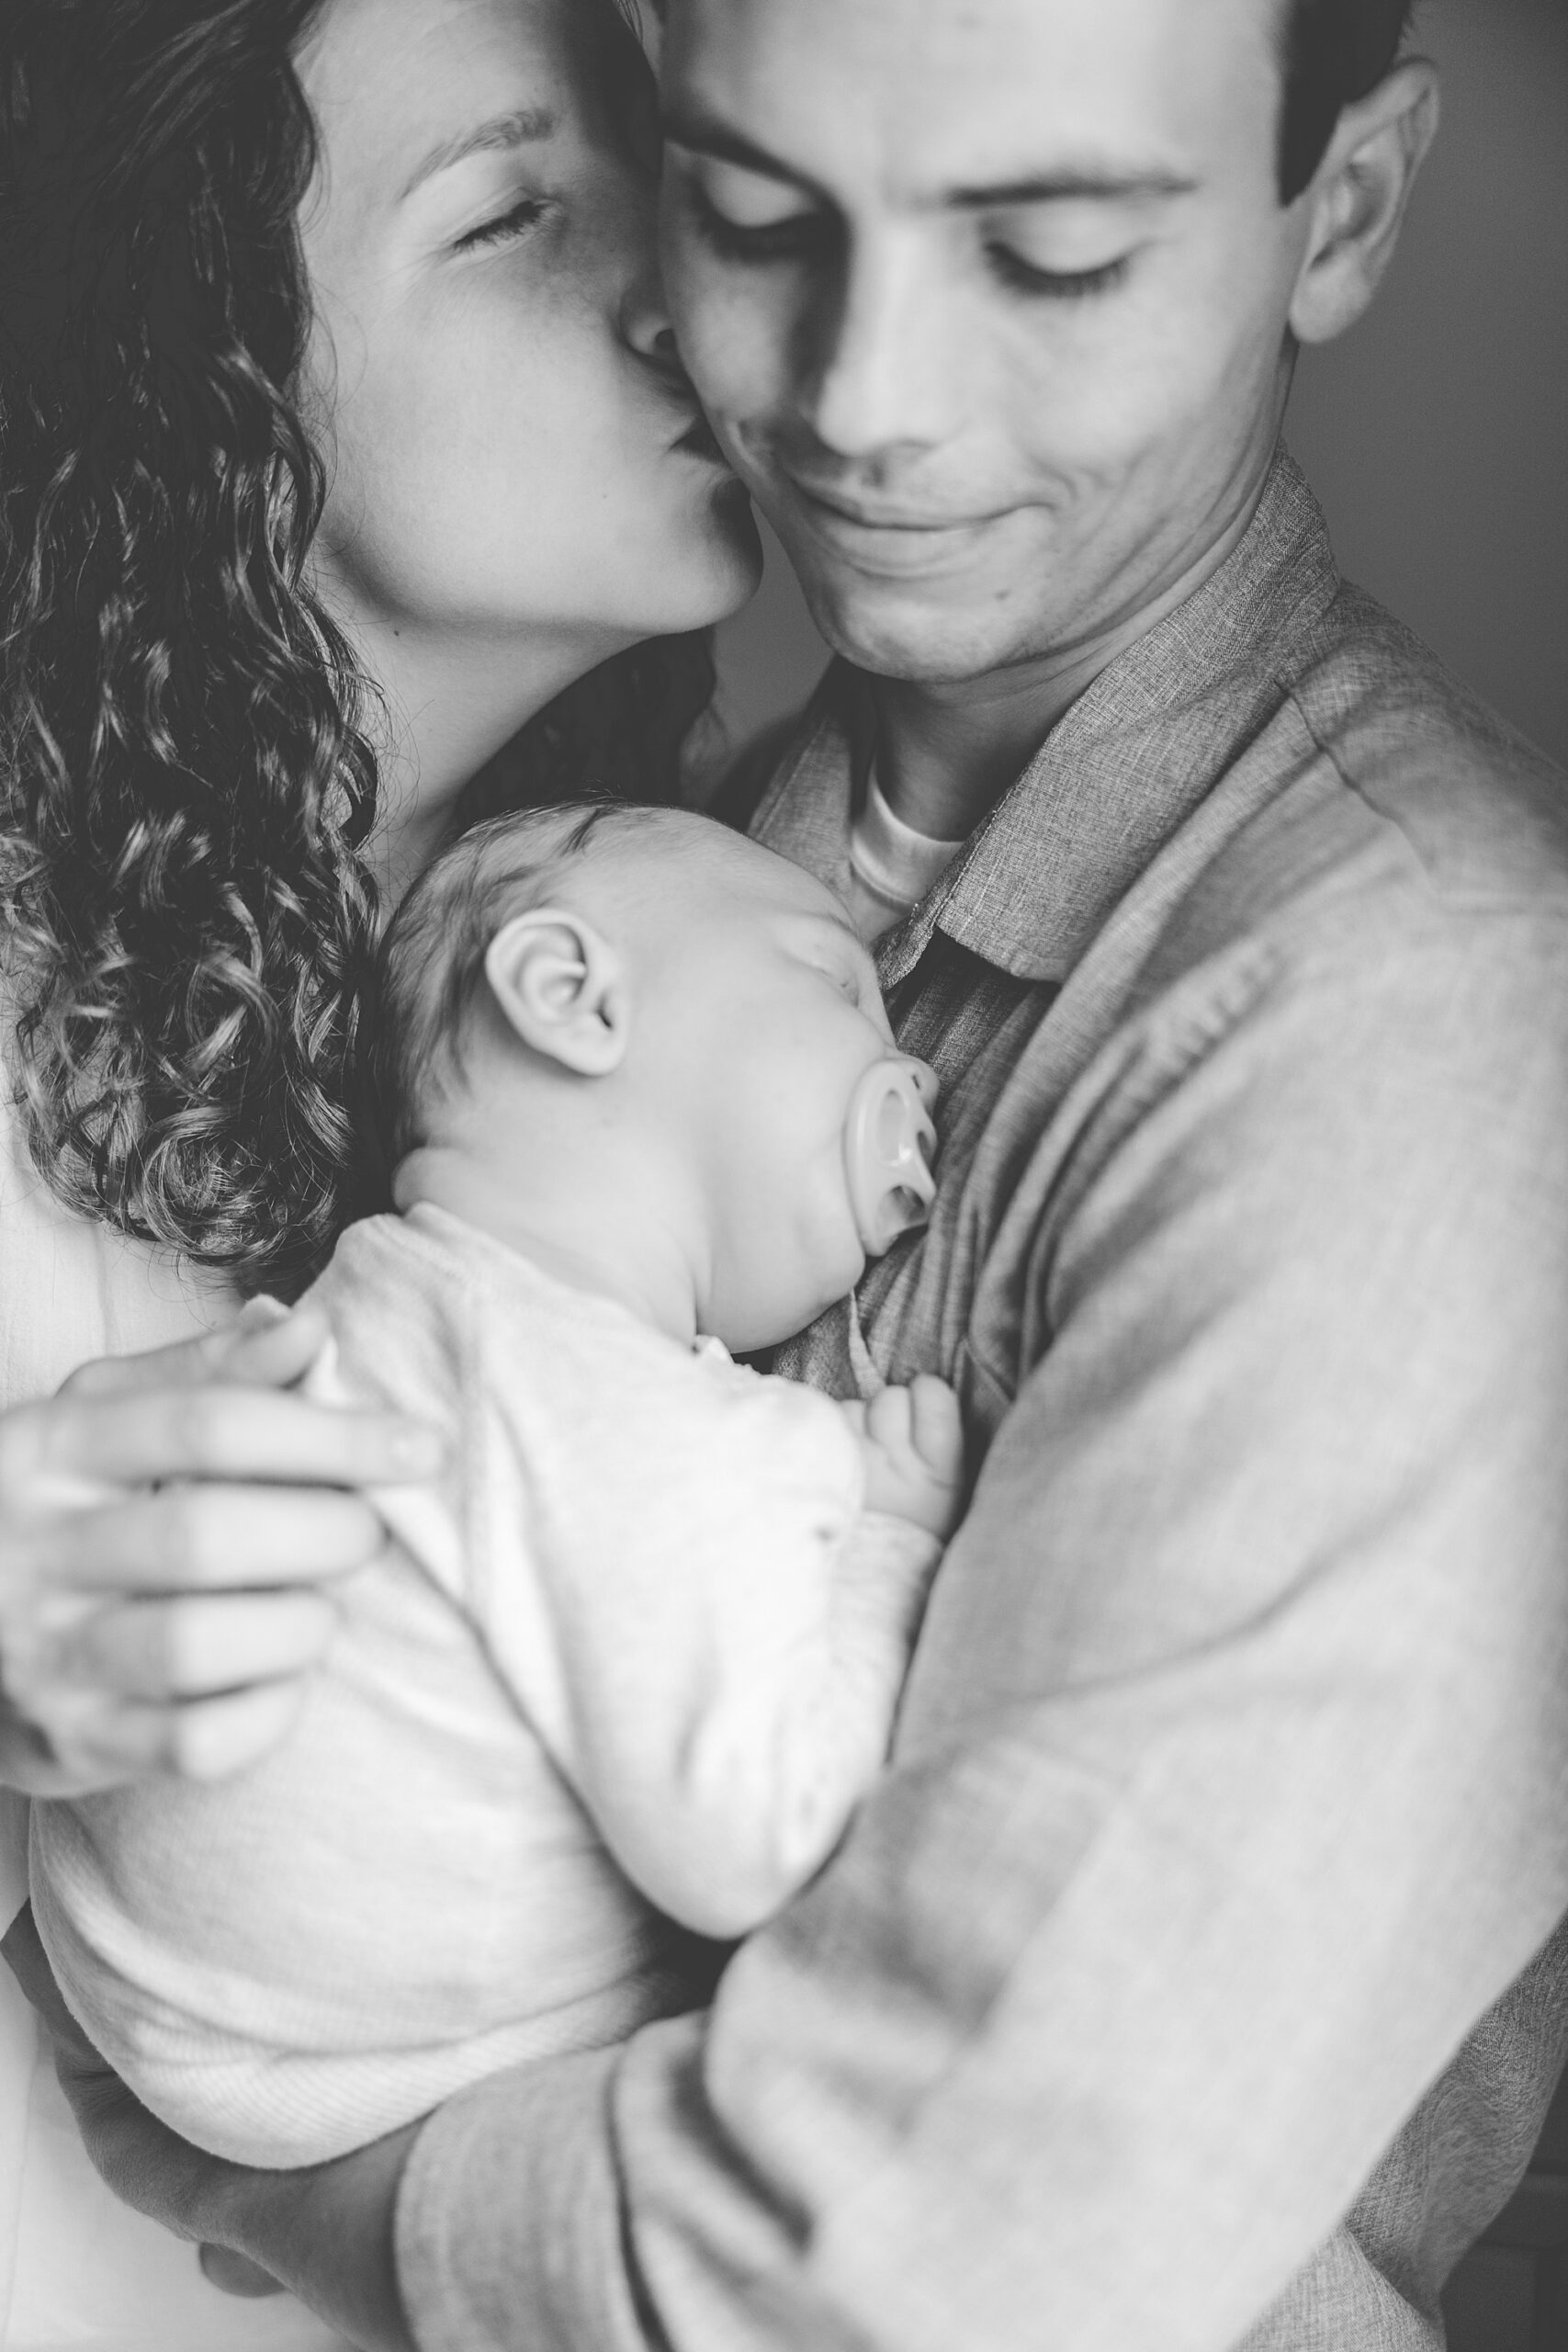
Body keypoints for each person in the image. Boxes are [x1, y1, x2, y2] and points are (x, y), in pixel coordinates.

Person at [17, 0, 1567, 2347]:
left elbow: (940, 2262)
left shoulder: (1395, 1026)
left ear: (1338, 212)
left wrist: (324, 2181)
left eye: (1041, 243)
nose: (834, 388)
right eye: (742, 209)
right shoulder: (709, 862)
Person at [0, 0, 764, 2338]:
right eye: (516, 211)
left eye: (660, 170)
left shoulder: (731, 950)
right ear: (215, 363)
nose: (702, 287)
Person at [32, 800, 961, 2169]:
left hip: (108, 1950)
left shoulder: (365, 1309)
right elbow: (758, 1839)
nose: (914, 1077)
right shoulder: (625, 1413)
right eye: (832, 982)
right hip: (326, 2055)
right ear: (570, 993)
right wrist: (883, 1548)